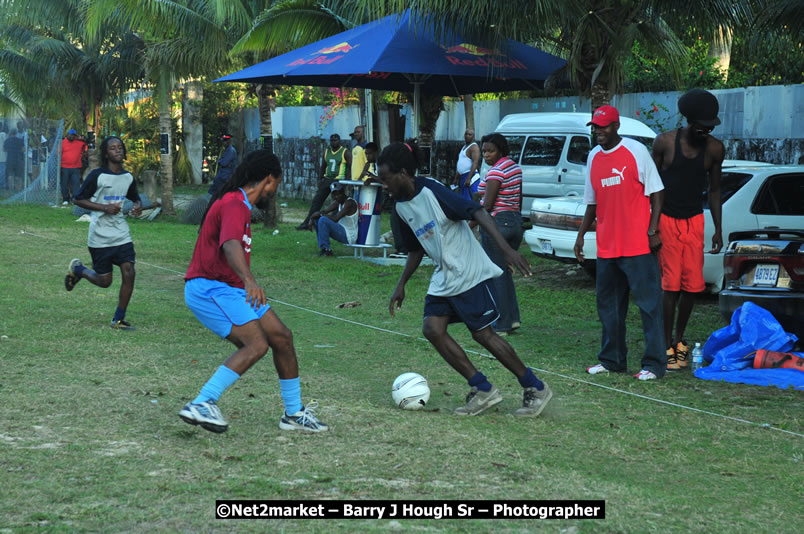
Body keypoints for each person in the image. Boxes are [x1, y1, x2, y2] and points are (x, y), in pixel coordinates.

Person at [377, 140, 552, 417]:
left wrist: (507, 251)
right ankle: (483, 389)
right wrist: (401, 284)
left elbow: (477, 211)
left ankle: (535, 387)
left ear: (403, 173)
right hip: (444, 274)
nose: (383, 186)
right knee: (432, 329)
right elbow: (415, 248)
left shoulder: (433, 190)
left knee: (483, 334)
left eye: (385, 179)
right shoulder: (400, 208)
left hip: (467, 269)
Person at [180, 149, 328, 434]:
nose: (277, 189)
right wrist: (249, 280)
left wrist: (245, 283)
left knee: (282, 337)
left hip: (232, 289)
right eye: (278, 183)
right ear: (269, 180)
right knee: (256, 344)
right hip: (210, 288)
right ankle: (202, 402)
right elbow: (230, 244)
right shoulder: (235, 203)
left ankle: (294, 414)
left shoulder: (242, 204)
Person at [574, 105, 666, 381]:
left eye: (603, 127)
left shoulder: (635, 151)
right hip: (607, 246)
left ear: (616, 127)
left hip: (637, 245)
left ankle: (654, 364)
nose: (598, 132)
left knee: (649, 306)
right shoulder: (593, 157)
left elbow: (657, 192)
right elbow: (592, 202)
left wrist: (652, 230)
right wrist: (581, 235)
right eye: (595, 127)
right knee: (609, 307)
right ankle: (612, 360)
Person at [652, 89, 725, 370]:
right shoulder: (665, 143)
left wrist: (718, 229)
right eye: (701, 126)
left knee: (692, 286)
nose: (706, 131)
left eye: (710, 127)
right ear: (688, 120)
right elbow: (651, 187)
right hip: (667, 219)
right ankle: (665, 341)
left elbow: (715, 190)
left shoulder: (715, 149)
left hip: (695, 221)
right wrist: (652, 228)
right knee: (669, 286)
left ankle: (679, 339)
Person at [64, 136, 143, 330]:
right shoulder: (97, 175)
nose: (118, 151)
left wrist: (137, 207)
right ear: (106, 153)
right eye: (113, 148)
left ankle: (118, 319)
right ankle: (79, 270)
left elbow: (135, 198)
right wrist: (103, 208)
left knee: (129, 272)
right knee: (104, 281)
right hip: (100, 235)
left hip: (121, 233)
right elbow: (78, 199)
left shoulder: (128, 177)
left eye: (120, 147)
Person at [476, 133, 524, 335]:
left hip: (497, 224)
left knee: (496, 275)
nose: (486, 155)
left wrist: (470, 222)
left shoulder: (496, 172)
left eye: (490, 150)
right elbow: (518, 197)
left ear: (501, 150)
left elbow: (487, 205)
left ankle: (502, 323)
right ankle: (512, 319)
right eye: (484, 151)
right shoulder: (514, 167)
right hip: (514, 222)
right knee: (504, 274)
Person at [296, 133, 351, 230]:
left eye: (335, 140)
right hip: (327, 179)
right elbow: (323, 166)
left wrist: (345, 181)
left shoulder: (345, 152)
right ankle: (308, 223)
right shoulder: (327, 151)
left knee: (337, 202)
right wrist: (320, 179)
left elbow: (351, 167)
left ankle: (335, 225)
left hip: (338, 180)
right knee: (317, 202)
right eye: (331, 140)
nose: (333, 142)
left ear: (339, 141)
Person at [311, 182, 358, 256]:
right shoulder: (338, 202)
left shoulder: (349, 203)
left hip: (349, 236)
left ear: (343, 193)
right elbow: (324, 211)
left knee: (323, 220)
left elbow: (335, 218)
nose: (335, 197)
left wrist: (321, 214)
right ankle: (323, 249)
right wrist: (312, 218)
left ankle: (327, 250)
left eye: (338, 194)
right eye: (334, 195)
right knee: (318, 219)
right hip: (341, 230)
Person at [60, 128, 88, 205]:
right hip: (64, 167)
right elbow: (58, 154)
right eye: (71, 135)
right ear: (67, 135)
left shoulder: (79, 143)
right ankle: (65, 199)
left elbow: (88, 144)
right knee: (64, 184)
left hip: (76, 167)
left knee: (76, 184)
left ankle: (75, 199)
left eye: (74, 135)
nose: (72, 137)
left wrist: (81, 138)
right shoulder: (62, 143)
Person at [455, 128, 481, 201]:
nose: (467, 136)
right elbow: (460, 163)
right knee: (464, 200)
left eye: (470, 134)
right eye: (466, 134)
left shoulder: (474, 147)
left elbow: (475, 163)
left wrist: (469, 178)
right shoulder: (464, 147)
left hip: (470, 177)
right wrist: (456, 178)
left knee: (471, 200)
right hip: (463, 177)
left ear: (473, 136)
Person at [0, 125, 7, 191]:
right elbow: (6, 143)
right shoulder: (3, 134)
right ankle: (2, 186)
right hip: (2, 157)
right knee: (2, 171)